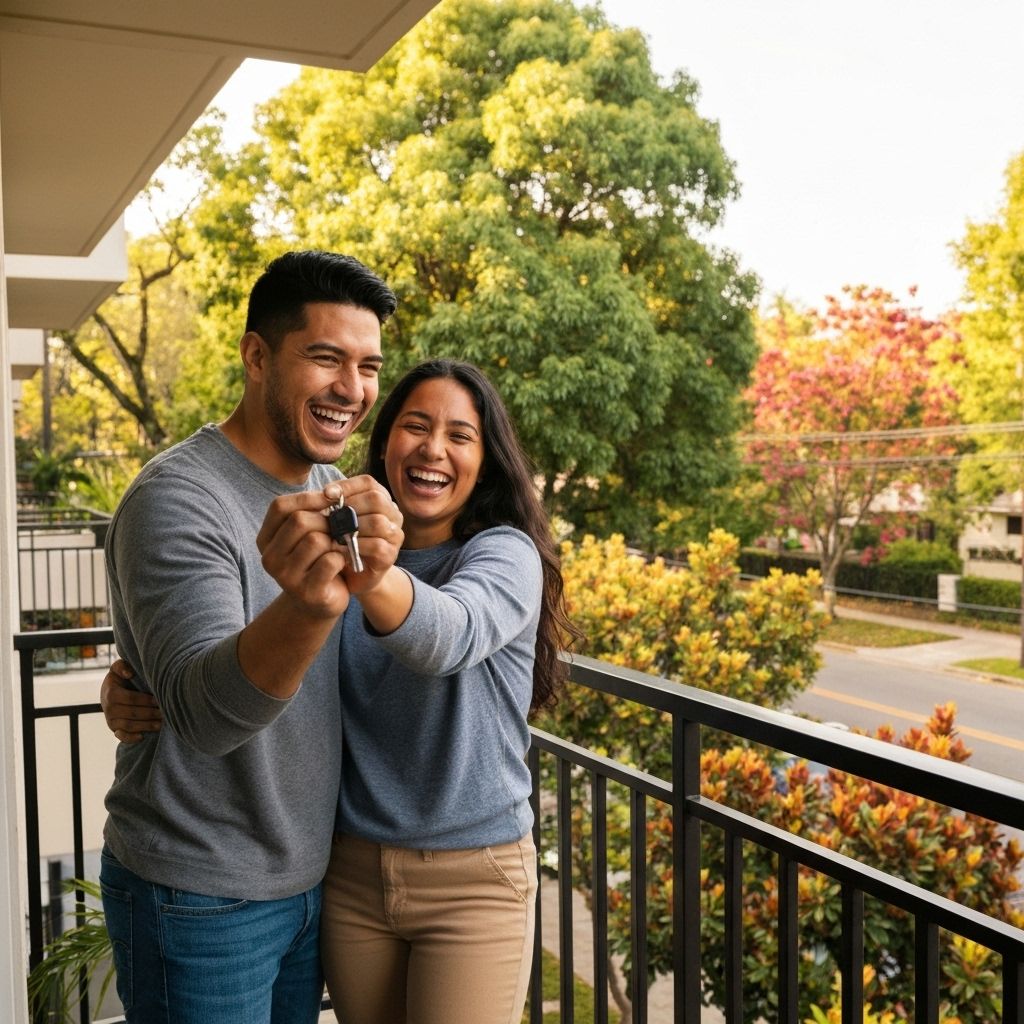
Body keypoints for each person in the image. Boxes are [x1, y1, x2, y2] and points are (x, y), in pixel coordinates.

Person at [105, 358, 580, 1024]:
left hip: (473, 879)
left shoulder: (501, 554)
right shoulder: (329, 537)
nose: (433, 449)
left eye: (460, 435)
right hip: (348, 873)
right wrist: (134, 682)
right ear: (385, 442)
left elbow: (446, 634)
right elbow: (247, 642)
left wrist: (355, 566)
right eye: (415, 425)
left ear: (488, 460)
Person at [97, 249, 403, 1024]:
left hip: (305, 881)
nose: (353, 389)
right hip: (198, 893)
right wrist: (306, 608)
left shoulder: (326, 490)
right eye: (326, 358)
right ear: (257, 355)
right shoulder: (178, 499)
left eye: (368, 366)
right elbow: (204, 716)